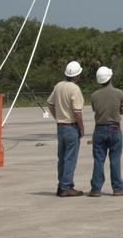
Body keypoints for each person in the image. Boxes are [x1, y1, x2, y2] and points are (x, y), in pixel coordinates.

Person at [88, 66, 123, 198]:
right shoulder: (119, 93)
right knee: (115, 159)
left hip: (99, 128)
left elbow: (96, 110)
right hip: (114, 128)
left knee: (98, 160)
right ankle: (118, 188)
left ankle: (95, 189)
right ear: (111, 77)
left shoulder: (94, 95)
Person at [47, 60, 86, 197]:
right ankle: (66, 187)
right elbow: (77, 112)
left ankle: (61, 184)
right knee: (70, 158)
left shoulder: (58, 86)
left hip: (60, 126)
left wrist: (57, 116)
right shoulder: (75, 89)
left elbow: (50, 103)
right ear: (77, 76)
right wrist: (81, 128)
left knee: (62, 157)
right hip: (70, 126)